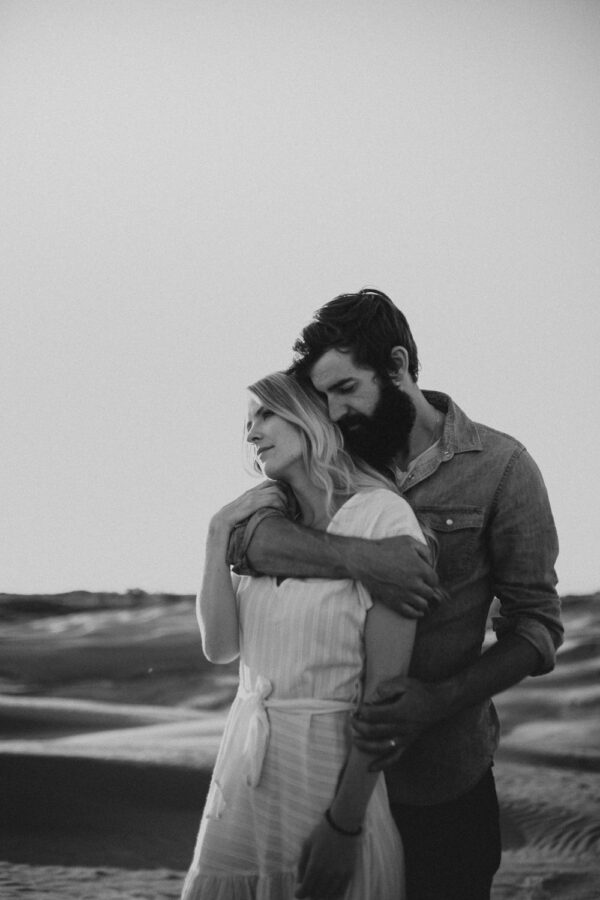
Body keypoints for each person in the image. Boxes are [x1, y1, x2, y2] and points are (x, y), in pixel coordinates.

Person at [226, 289, 563, 900]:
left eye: (346, 388)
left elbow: (537, 628)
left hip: (440, 780)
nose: (332, 409)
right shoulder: (333, 459)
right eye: (322, 395)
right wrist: (364, 558)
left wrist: (440, 697)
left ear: (399, 365)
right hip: (320, 776)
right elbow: (248, 539)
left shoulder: (502, 468)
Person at [181, 371, 429, 900]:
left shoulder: (383, 518)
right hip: (243, 778)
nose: (251, 434)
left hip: (327, 773)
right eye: (247, 424)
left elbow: (381, 699)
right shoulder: (262, 526)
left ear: (309, 416)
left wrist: (344, 826)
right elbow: (220, 647)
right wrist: (216, 533)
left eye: (265, 414)